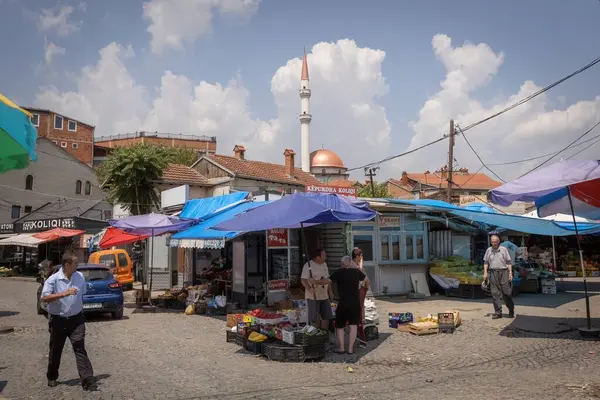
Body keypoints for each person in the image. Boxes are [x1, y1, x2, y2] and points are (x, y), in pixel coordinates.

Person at [40, 252, 95, 390]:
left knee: (79, 348)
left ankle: (87, 379)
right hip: (58, 320)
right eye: (75, 263)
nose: (77, 265)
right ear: (67, 265)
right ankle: (52, 376)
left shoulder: (79, 276)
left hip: (76, 319)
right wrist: (64, 294)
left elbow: (82, 294)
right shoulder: (53, 280)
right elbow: (44, 298)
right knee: (55, 350)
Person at [330, 255, 369, 354]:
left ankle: (342, 348)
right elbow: (367, 280)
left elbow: (327, 280)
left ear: (342, 263)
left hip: (343, 303)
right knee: (353, 326)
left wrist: (315, 281)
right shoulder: (356, 272)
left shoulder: (339, 272)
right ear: (350, 262)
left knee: (339, 326)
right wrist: (365, 289)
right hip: (355, 303)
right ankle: (351, 349)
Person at [483, 235, 515, 319]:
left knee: (506, 293)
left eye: (495, 242)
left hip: (504, 271)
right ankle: (498, 312)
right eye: (492, 242)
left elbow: (508, 262)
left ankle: (511, 309)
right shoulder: (488, 250)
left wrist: (510, 273)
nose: (493, 243)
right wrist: (485, 273)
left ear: (498, 242)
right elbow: (486, 262)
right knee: (494, 293)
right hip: (493, 272)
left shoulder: (504, 250)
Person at [301, 248, 333, 329]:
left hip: (324, 295)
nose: (326, 256)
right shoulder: (308, 265)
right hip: (313, 296)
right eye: (324, 255)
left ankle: (324, 335)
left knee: (326, 317)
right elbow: (303, 280)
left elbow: (328, 279)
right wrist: (309, 288)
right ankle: (315, 335)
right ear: (318, 257)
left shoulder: (324, 264)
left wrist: (330, 291)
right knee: (314, 318)